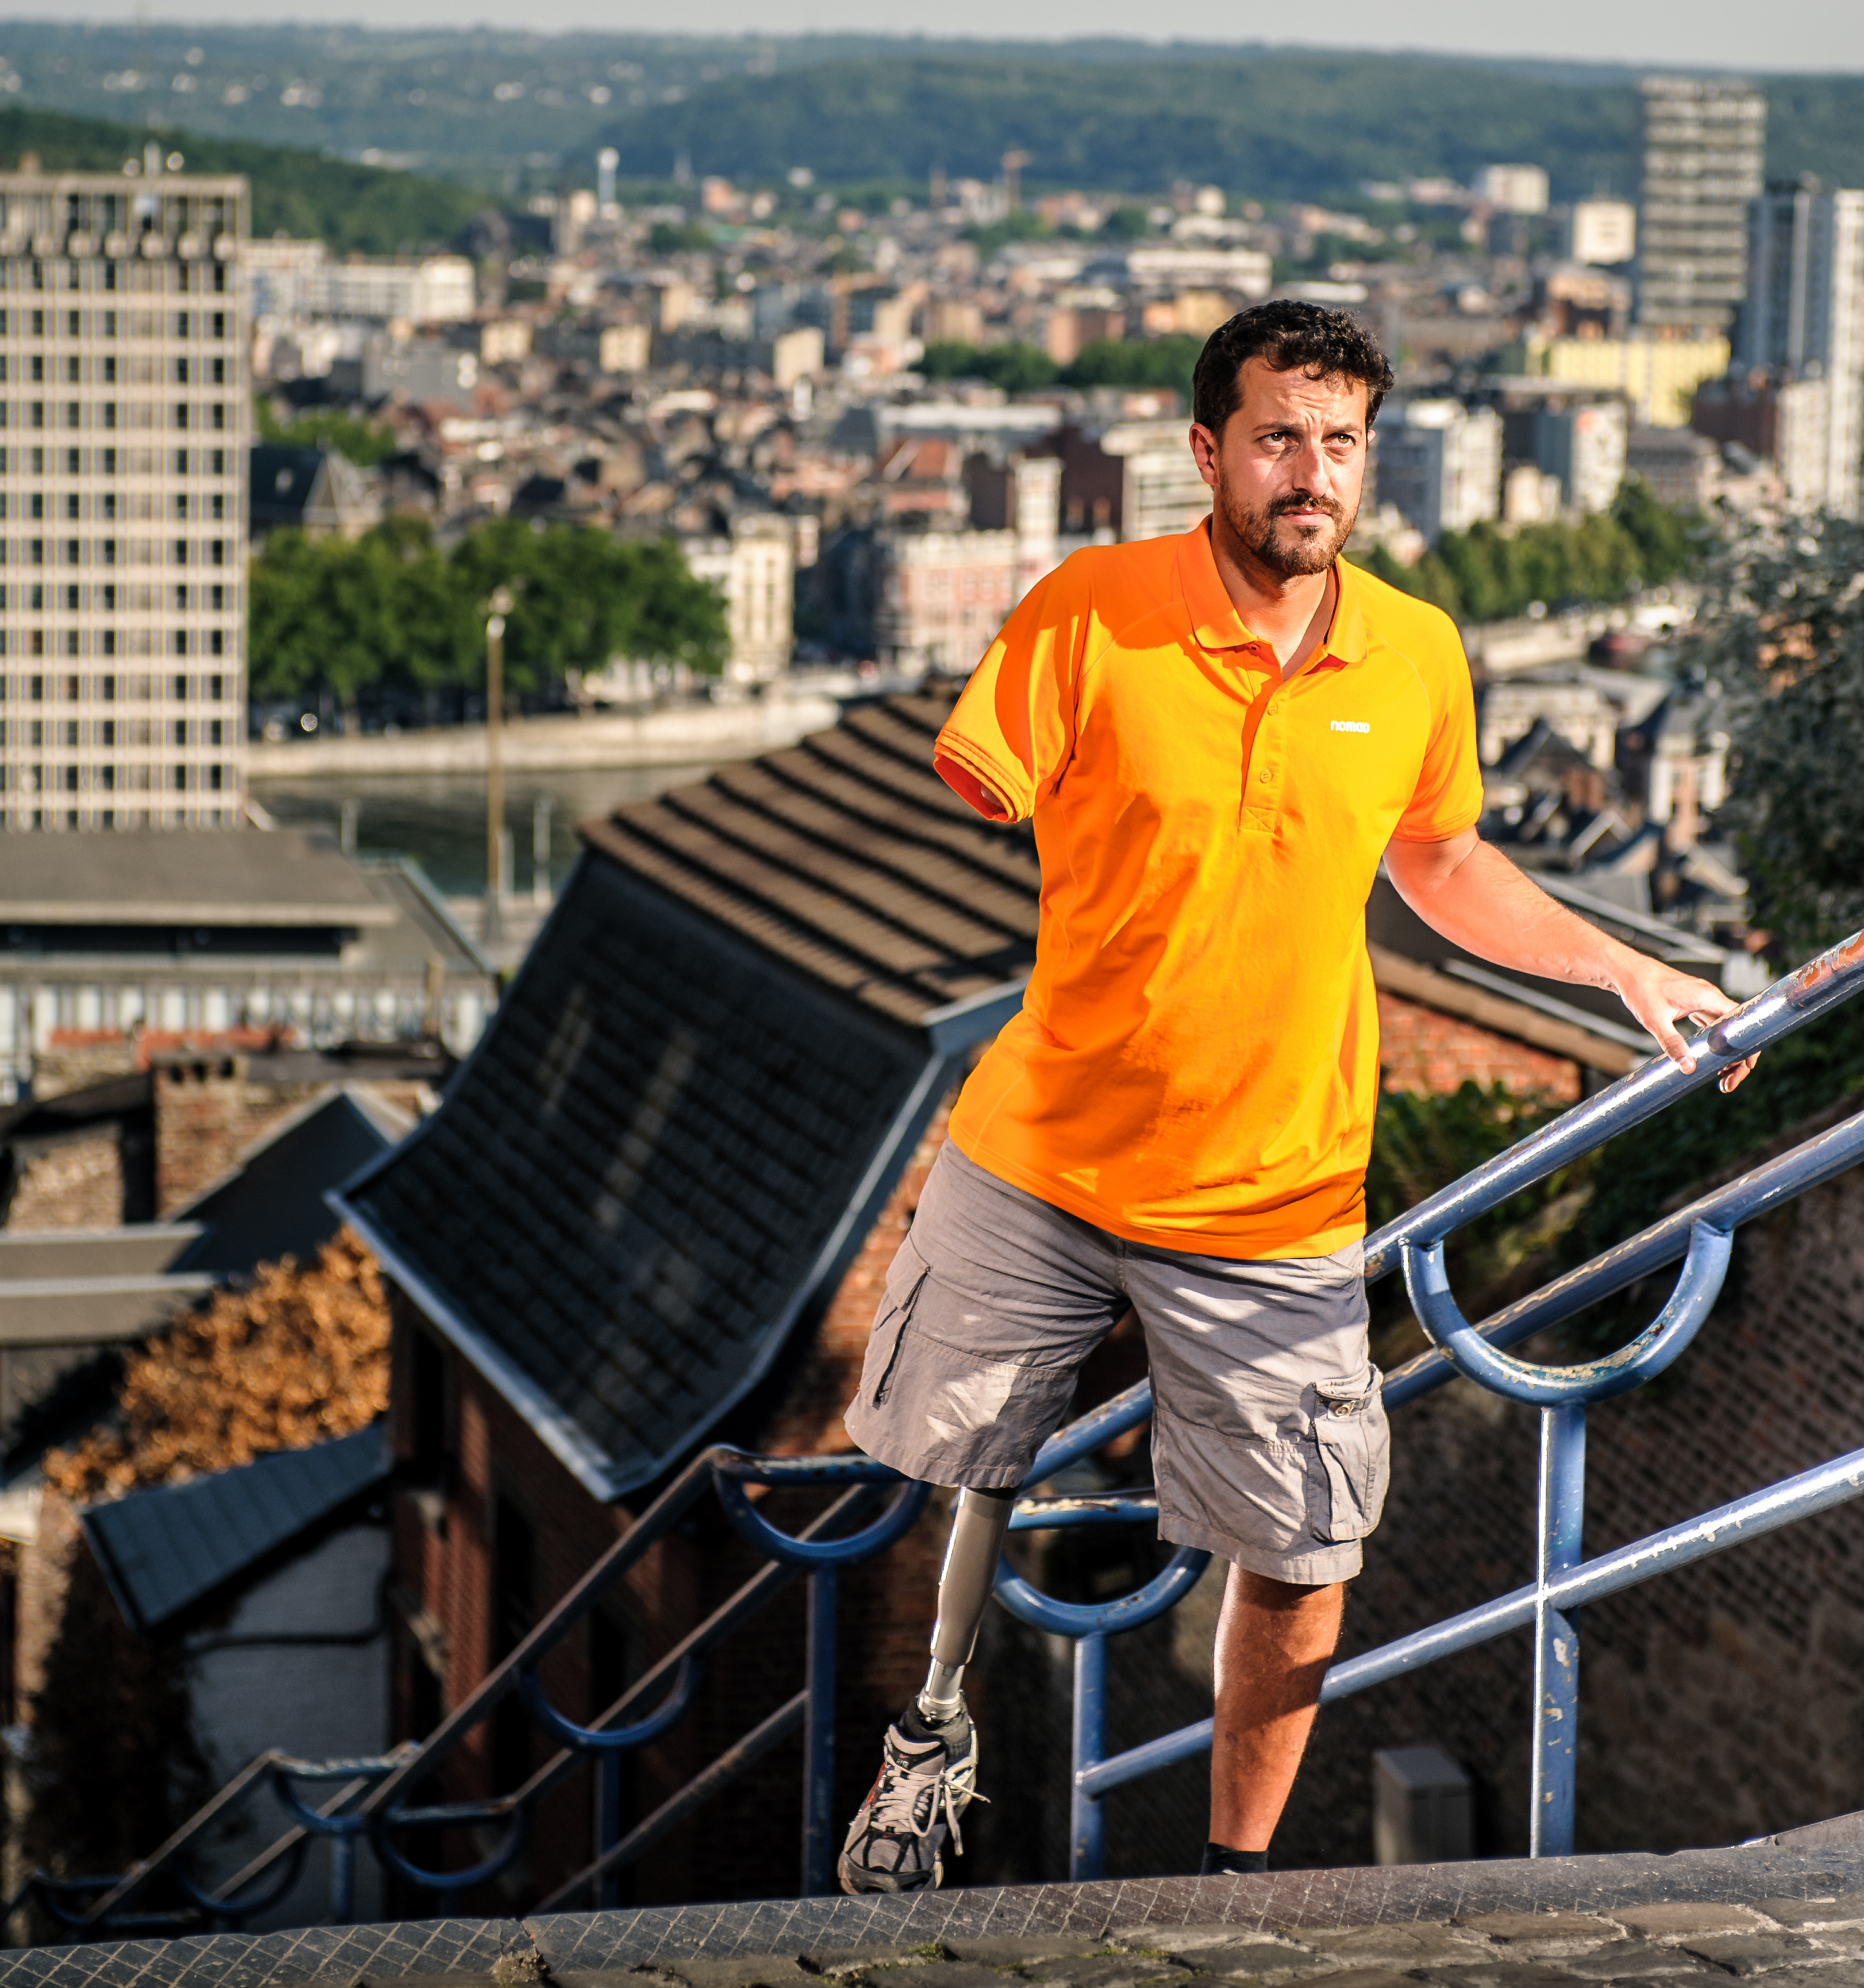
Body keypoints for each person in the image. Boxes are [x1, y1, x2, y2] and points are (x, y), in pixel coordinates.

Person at [835, 301, 1753, 1895]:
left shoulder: (1416, 652)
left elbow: (1446, 863)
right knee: (958, 1453)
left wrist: (1622, 970)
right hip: (1045, 1149)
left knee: (1304, 1550)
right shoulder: (1092, 607)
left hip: (1276, 1193)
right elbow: (963, 785)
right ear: (1209, 452)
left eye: (1339, 441)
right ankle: (932, 1734)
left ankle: (1235, 1881)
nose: (1309, 471)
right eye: (1277, 437)